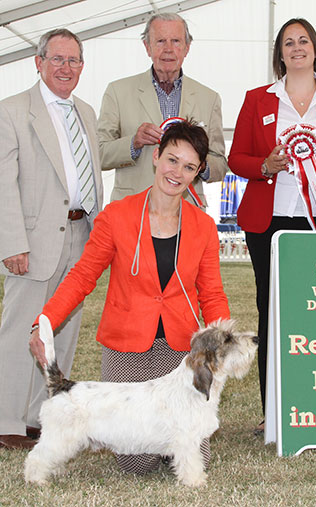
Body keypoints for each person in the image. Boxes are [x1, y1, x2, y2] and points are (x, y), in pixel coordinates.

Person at [29, 120, 230, 474]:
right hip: (127, 344)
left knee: (191, 449)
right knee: (136, 462)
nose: (176, 173)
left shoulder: (203, 227)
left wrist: (223, 340)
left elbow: (211, 293)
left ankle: (172, 444)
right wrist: (43, 323)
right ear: (156, 157)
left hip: (180, 349)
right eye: (171, 160)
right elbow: (82, 277)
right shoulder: (116, 217)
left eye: (188, 167)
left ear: (198, 172)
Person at [228, 18, 316, 433]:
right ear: (280, 53)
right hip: (268, 223)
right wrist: (266, 166)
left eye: (303, 40)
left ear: (315, 49)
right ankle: (273, 412)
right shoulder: (258, 99)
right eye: (288, 42)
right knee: (272, 312)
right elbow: (238, 158)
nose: (296, 48)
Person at [0, 29, 103, 450]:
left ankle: (40, 418)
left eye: (73, 60)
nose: (66, 68)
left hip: (81, 235)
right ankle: (6, 421)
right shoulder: (12, 111)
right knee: (18, 331)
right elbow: (4, 182)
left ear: (82, 67)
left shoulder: (87, 112)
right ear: (38, 63)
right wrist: (11, 242)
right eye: (57, 59)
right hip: (33, 238)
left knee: (63, 331)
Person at [98, 12, 228, 208]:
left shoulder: (209, 98)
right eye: (160, 41)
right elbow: (98, 154)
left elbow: (219, 165)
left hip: (188, 211)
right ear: (147, 47)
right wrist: (134, 143)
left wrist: (199, 162)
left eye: (176, 41)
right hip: (132, 209)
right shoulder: (117, 91)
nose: (168, 49)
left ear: (187, 48)